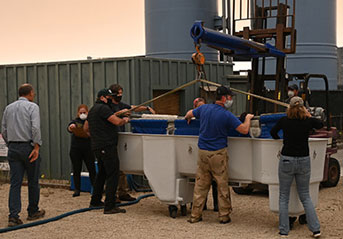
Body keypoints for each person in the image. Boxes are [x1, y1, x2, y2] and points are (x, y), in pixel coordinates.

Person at [185, 86, 254, 224]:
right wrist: (248, 118)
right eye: (230, 97)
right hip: (218, 154)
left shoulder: (204, 109)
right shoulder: (226, 115)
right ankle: (223, 216)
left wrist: (188, 118)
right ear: (224, 98)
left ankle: (195, 215)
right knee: (222, 185)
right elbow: (244, 130)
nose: (231, 100)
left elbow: (189, 114)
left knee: (200, 185)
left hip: (202, 153)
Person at [270, 96, 323, 238]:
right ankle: (315, 229)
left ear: (289, 107)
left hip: (287, 159)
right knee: (305, 196)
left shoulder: (284, 121)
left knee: (283, 196)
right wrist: (308, 115)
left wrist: (281, 140)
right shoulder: (307, 121)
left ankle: (284, 230)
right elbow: (320, 124)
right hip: (304, 160)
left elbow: (273, 132)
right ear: (303, 108)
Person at [1, 83, 45, 227]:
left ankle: (13, 216)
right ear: (30, 93)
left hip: (13, 147)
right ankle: (33, 211)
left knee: (15, 183)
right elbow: (35, 127)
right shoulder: (33, 107)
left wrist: (10, 144)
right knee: (33, 180)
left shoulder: (8, 108)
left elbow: (4, 130)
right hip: (28, 146)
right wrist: (36, 146)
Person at [84, 88, 129, 214]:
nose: (111, 99)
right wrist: (124, 120)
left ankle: (95, 201)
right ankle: (110, 206)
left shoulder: (92, 109)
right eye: (109, 97)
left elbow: (86, 128)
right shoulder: (104, 109)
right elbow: (116, 121)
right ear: (102, 97)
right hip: (107, 146)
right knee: (113, 174)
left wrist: (96, 137)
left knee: (102, 174)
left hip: (97, 147)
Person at [109, 84, 155, 202]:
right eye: (118, 94)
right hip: (110, 140)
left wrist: (146, 108)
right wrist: (121, 114)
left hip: (121, 139)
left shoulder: (122, 105)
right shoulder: (107, 107)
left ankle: (123, 192)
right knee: (112, 169)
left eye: (121, 93)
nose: (120, 96)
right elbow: (112, 117)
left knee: (121, 167)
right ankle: (112, 196)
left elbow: (133, 108)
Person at [192, 97, 218, 212]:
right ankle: (203, 205)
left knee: (215, 181)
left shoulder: (209, 116)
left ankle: (217, 205)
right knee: (203, 182)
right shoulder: (194, 117)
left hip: (207, 150)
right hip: (203, 150)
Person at [67, 104, 96, 197]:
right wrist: (71, 127)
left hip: (88, 148)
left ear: (88, 112)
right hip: (76, 149)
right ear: (78, 113)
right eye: (81, 112)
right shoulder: (75, 121)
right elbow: (70, 127)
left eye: (84, 112)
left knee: (91, 168)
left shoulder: (91, 121)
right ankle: (77, 189)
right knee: (76, 169)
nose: (83, 114)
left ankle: (95, 188)